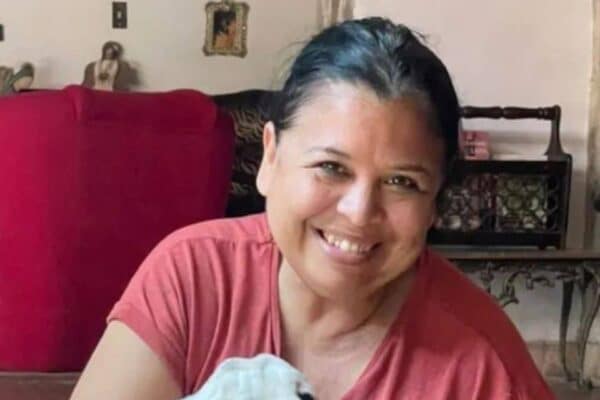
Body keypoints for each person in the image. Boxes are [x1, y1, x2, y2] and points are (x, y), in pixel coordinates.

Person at [70, 17, 555, 399]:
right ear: (271, 158)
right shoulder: (194, 279)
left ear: (435, 203)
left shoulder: (484, 368)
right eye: (330, 167)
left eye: (402, 182)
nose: (359, 212)